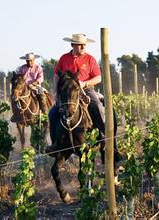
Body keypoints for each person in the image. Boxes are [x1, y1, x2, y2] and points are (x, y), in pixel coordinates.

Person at [46, 33, 123, 165]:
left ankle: (106, 139)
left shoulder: (90, 59)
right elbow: (56, 76)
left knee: (98, 107)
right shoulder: (64, 59)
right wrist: (56, 92)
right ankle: (55, 144)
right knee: (53, 113)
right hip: (68, 93)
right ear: (72, 45)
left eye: (84, 44)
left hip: (86, 90)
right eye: (79, 45)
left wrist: (85, 84)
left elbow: (98, 78)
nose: (82, 47)